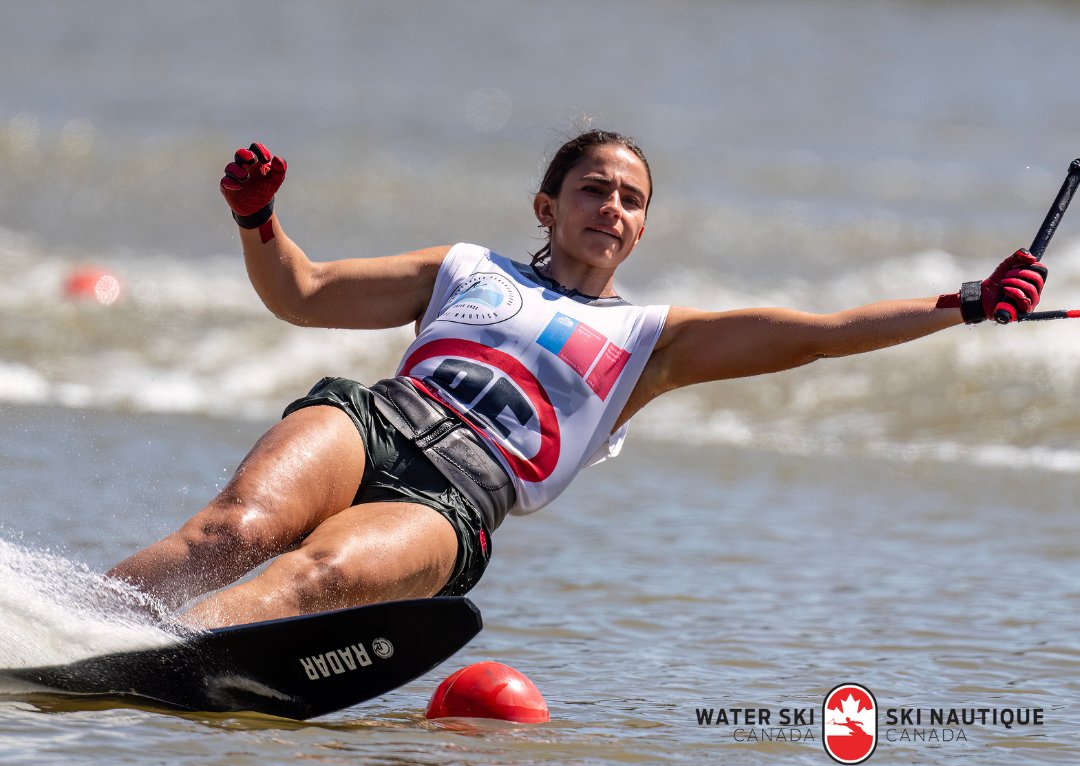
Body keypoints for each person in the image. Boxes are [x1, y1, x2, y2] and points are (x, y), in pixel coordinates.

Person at [106, 131, 1048, 629]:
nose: (613, 206)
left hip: (462, 494)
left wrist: (962, 301)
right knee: (236, 530)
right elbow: (302, 294)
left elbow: (817, 335)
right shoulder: (466, 267)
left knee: (320, 575)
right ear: (548, 207)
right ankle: (69, 627)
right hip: (378, 419)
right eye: (595, 188)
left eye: (632, 198)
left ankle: (156, 662)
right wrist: (259, 219)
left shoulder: (654, 339)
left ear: (642, 230)